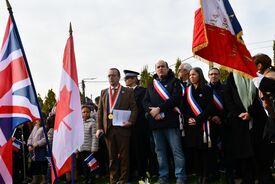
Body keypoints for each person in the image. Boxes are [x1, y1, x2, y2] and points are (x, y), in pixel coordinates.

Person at [224, 72, 274, 183]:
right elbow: (228, 99)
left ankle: (263, 178)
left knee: (259, 151)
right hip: (239, 121)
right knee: (244, 152)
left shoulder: (254, 76)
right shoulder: (231, 78)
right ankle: (248, 178)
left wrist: (250, 113)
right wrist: (239, 113)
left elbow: (258, 98)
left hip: (257, 119)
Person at [143, 60, 186, 184]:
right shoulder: (151, 84)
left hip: (171, 122)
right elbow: (145, 102)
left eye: (163, 66)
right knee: (160, 152)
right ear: (155, 70)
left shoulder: (175, 82)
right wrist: (152, 112)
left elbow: (175, 99)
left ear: (168, 68)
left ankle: (180, 177)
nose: (160, 69)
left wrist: (159, 109)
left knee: (176, 150)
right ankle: (163, 176)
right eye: (158, 67)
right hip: (156, 124)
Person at [96, 68, 138, 184]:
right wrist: (99, 127)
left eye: (114, 75)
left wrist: (130, 121)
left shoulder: (128, 91)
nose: (111, 78)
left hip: (123, 128)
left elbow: (134, 108)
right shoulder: (104, 92)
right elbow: (100, 112)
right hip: (108, 129)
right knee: (111, 157)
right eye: (109, 76)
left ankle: (123, 179)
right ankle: (113, 179)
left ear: (119, 77)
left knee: (124, 156)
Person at [182, 67, 214, 184]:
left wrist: (198, 119)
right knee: (195, 151)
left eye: (194, 75)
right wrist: (189, 118)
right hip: (191, 126)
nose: (191, 77)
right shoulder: (188, 90)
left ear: (199, 75)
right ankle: (199, 174)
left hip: (203, 125)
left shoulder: (207, 89)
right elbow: (184, 107)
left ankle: (206, 175)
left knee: (204, 151)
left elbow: (210, 107)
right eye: (190, 75)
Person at [123, 69, 151, 183]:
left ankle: (142, 173)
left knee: (140, 150)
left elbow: (143, 107)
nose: (126, 80)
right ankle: (129, 173)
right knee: (128, 150)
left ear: (134, 79)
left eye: (128, 78)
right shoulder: (123, 92)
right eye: (125, 78)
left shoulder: (143, 91)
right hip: (125, 126)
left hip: (139, 126)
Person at [77, 105, 98, 184]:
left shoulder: (92, 123)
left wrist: (94, 148)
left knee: (91, 164)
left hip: (89, 148)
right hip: (82, 148)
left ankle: (91, 179)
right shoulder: (79, 123)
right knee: (84, 165)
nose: (85, 114)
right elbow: (77, 136)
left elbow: (94, 136)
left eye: (87, 112)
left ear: (90, 113)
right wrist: (77, 148)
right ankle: (86, 178)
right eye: (83, 112)